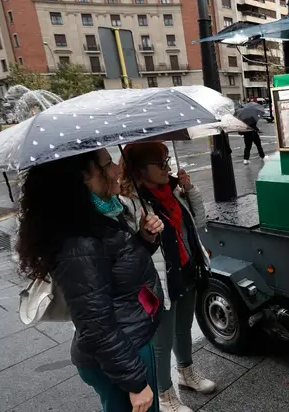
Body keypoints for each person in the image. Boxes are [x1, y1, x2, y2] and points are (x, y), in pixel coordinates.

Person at [15, 148, 165, 412]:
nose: (117, 170)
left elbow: (119, 269)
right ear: (83, 177)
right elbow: (95, 324)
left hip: (129, 340)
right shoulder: (79, 242)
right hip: (120, 356)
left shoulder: (100, 217)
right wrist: (135, 382)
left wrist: (144, 237)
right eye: (107, 165)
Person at [119, 143, 215, 412]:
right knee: (161, 341)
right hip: (159, 281)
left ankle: (186, 372)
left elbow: (199, 221)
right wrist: (142, 232)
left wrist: (189, 190)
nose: (167, 167)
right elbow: (128, 253)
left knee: (184, 327)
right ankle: (164, 394)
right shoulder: (130, 203)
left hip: (187, 269)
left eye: (167, 160)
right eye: (160, 164)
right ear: (140, 170)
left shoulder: (172, 191)